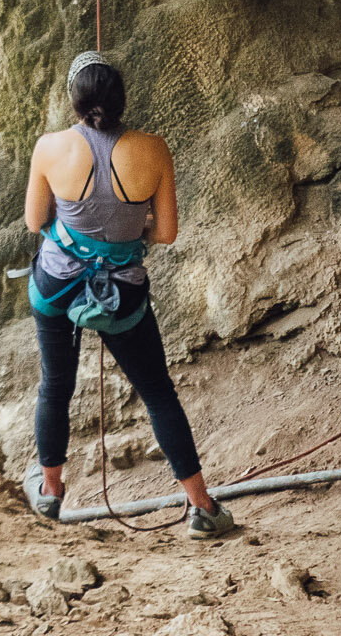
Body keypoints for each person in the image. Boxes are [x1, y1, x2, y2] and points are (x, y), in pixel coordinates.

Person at [21, 51, 236, 539]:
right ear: (120, 99)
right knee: (157, 392)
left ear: (75, 100)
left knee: (55, 386)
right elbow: (166, 233)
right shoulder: (153, 148)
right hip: (121, 291)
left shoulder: (50, 147)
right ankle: (202, 508)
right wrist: (124, 229)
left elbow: (35, 222)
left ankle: (51, 492)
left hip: (56, 283)